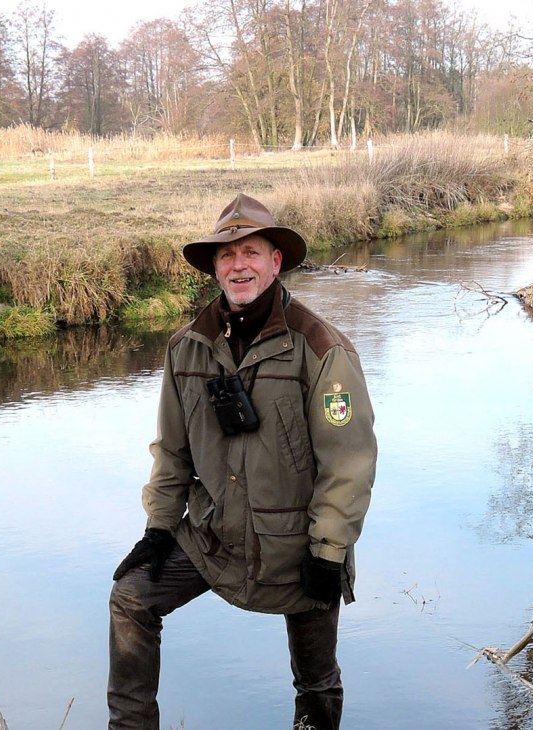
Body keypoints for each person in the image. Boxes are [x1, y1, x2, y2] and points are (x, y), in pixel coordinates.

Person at [107, 193, 377, 730]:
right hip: (214, 537)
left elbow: (348, 463)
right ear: (213, 267)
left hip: (298, 545)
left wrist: (327, 551)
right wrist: (159, 529)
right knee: (131, 596)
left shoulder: (323, 349)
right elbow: (172, 452)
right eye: (226, 256)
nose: (238, 266)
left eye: (250, 252)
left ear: (275, 262)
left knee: (316, 680)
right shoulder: (187, 348)